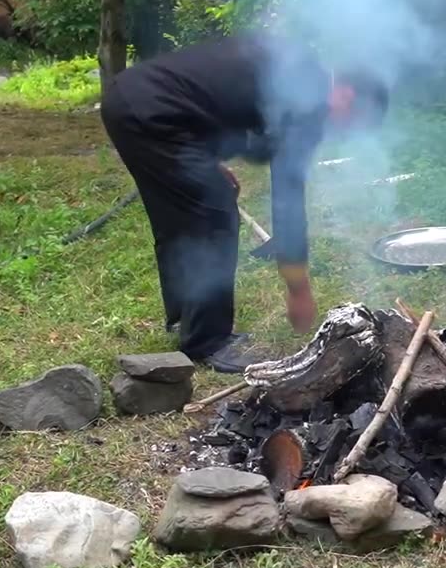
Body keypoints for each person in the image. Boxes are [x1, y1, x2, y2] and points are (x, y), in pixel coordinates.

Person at [100, 32, 389, 373]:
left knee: (175, 213)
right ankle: (207, 341)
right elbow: (287, 198)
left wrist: (207, 161)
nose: (345, 133)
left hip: (130, 99)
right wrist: (298, 288)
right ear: (347, 94)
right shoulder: (308, 101)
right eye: (354, 123)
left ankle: (183, 316)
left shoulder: (296, 64)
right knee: (215, 216)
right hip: (156, 113)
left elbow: (211, 95)